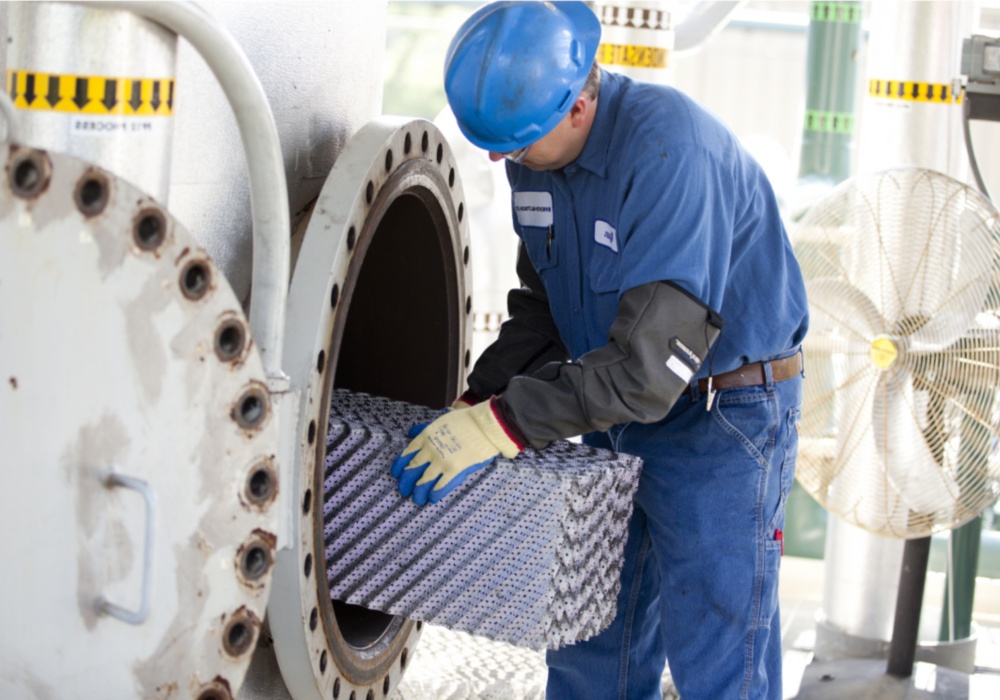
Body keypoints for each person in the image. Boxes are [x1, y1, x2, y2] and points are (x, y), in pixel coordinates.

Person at [390, 2, 809, 698]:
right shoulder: (535, 158)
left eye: (515, 144)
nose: (500, 159)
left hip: (721, 420)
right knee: (589, 640)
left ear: (580, 104)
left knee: (717, 650)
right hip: (611, 410)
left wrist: (501, 428)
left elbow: (649, 374)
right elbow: (545, 308)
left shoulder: (670, 156)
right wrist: (476, 400)